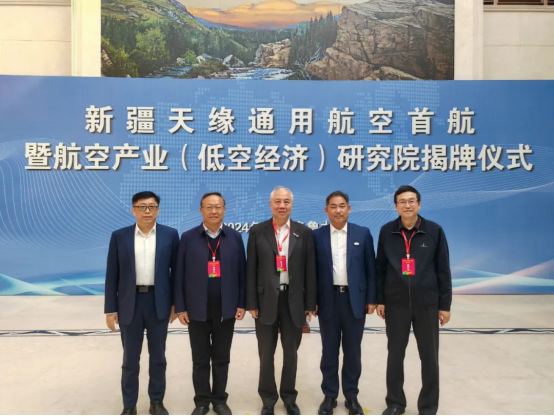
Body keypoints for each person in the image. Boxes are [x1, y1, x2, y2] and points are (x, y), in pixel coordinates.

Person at [376, 185, 452, 416]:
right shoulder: (387, 231)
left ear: (419, 204)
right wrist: (380, 300)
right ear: (396, 206)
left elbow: (443, 270)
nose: (407, 205)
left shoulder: (434, 231)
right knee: (395, 355)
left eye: (411, 201)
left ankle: (428, 406)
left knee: (429, 357)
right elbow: (380, 269)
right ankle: (395, 403)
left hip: (426, 304)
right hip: (396, 304)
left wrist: (444, 305)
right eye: (402, 201)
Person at [105, 191, 179, 415]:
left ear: (158, 209)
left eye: (152, 207)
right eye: (142, 207)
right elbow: (112, 274)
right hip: (130, 303)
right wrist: (110, 308)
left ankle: (156, 402)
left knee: (158, 357)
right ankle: (129, 405)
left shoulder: (170, 235)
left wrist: (176, 304)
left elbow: (176, 273)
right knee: (130, 359)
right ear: (133, 210)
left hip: (159, 302)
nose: (147, 211)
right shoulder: (119, 236)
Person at [246, 186, 317, 415]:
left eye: (286, 201)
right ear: (270, 204)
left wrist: (310, 303)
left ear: (292, 205)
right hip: (265, 300)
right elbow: (251, 269)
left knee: (291, 353)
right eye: (277, 201)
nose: (282, 205)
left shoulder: (304, 232)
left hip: (294, 300)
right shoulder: (258, 231)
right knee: (266, 354)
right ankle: (268, 399)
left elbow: (310, 270)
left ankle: (289, 397)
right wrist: (251, 303)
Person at [174, 192, 246, 416]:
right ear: (201, 210)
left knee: (222, 358)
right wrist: (180, 307)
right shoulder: (188, 237)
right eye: (209, 207)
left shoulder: (234, 237)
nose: (214, 211)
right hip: (197, 309)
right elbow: (178, 275)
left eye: (218, 207)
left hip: (226, 309)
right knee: (200, 359)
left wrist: (241, 303)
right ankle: (202, 401)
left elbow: (242, 274)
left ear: (224, 209)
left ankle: (220, 400)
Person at [313, 191, 377, 415]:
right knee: (329, 352)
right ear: (326, 210)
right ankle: (329, 395)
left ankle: (351, 396)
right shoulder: (317, 236)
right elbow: (311, 272)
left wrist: (371, 299)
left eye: (342, 206)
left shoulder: (363, 233)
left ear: (349, 209)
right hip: (328, 300)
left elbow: (371, 270)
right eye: (333, 206)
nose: (338, 210)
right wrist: (311, 301)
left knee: (352, 352)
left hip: (354, 301)